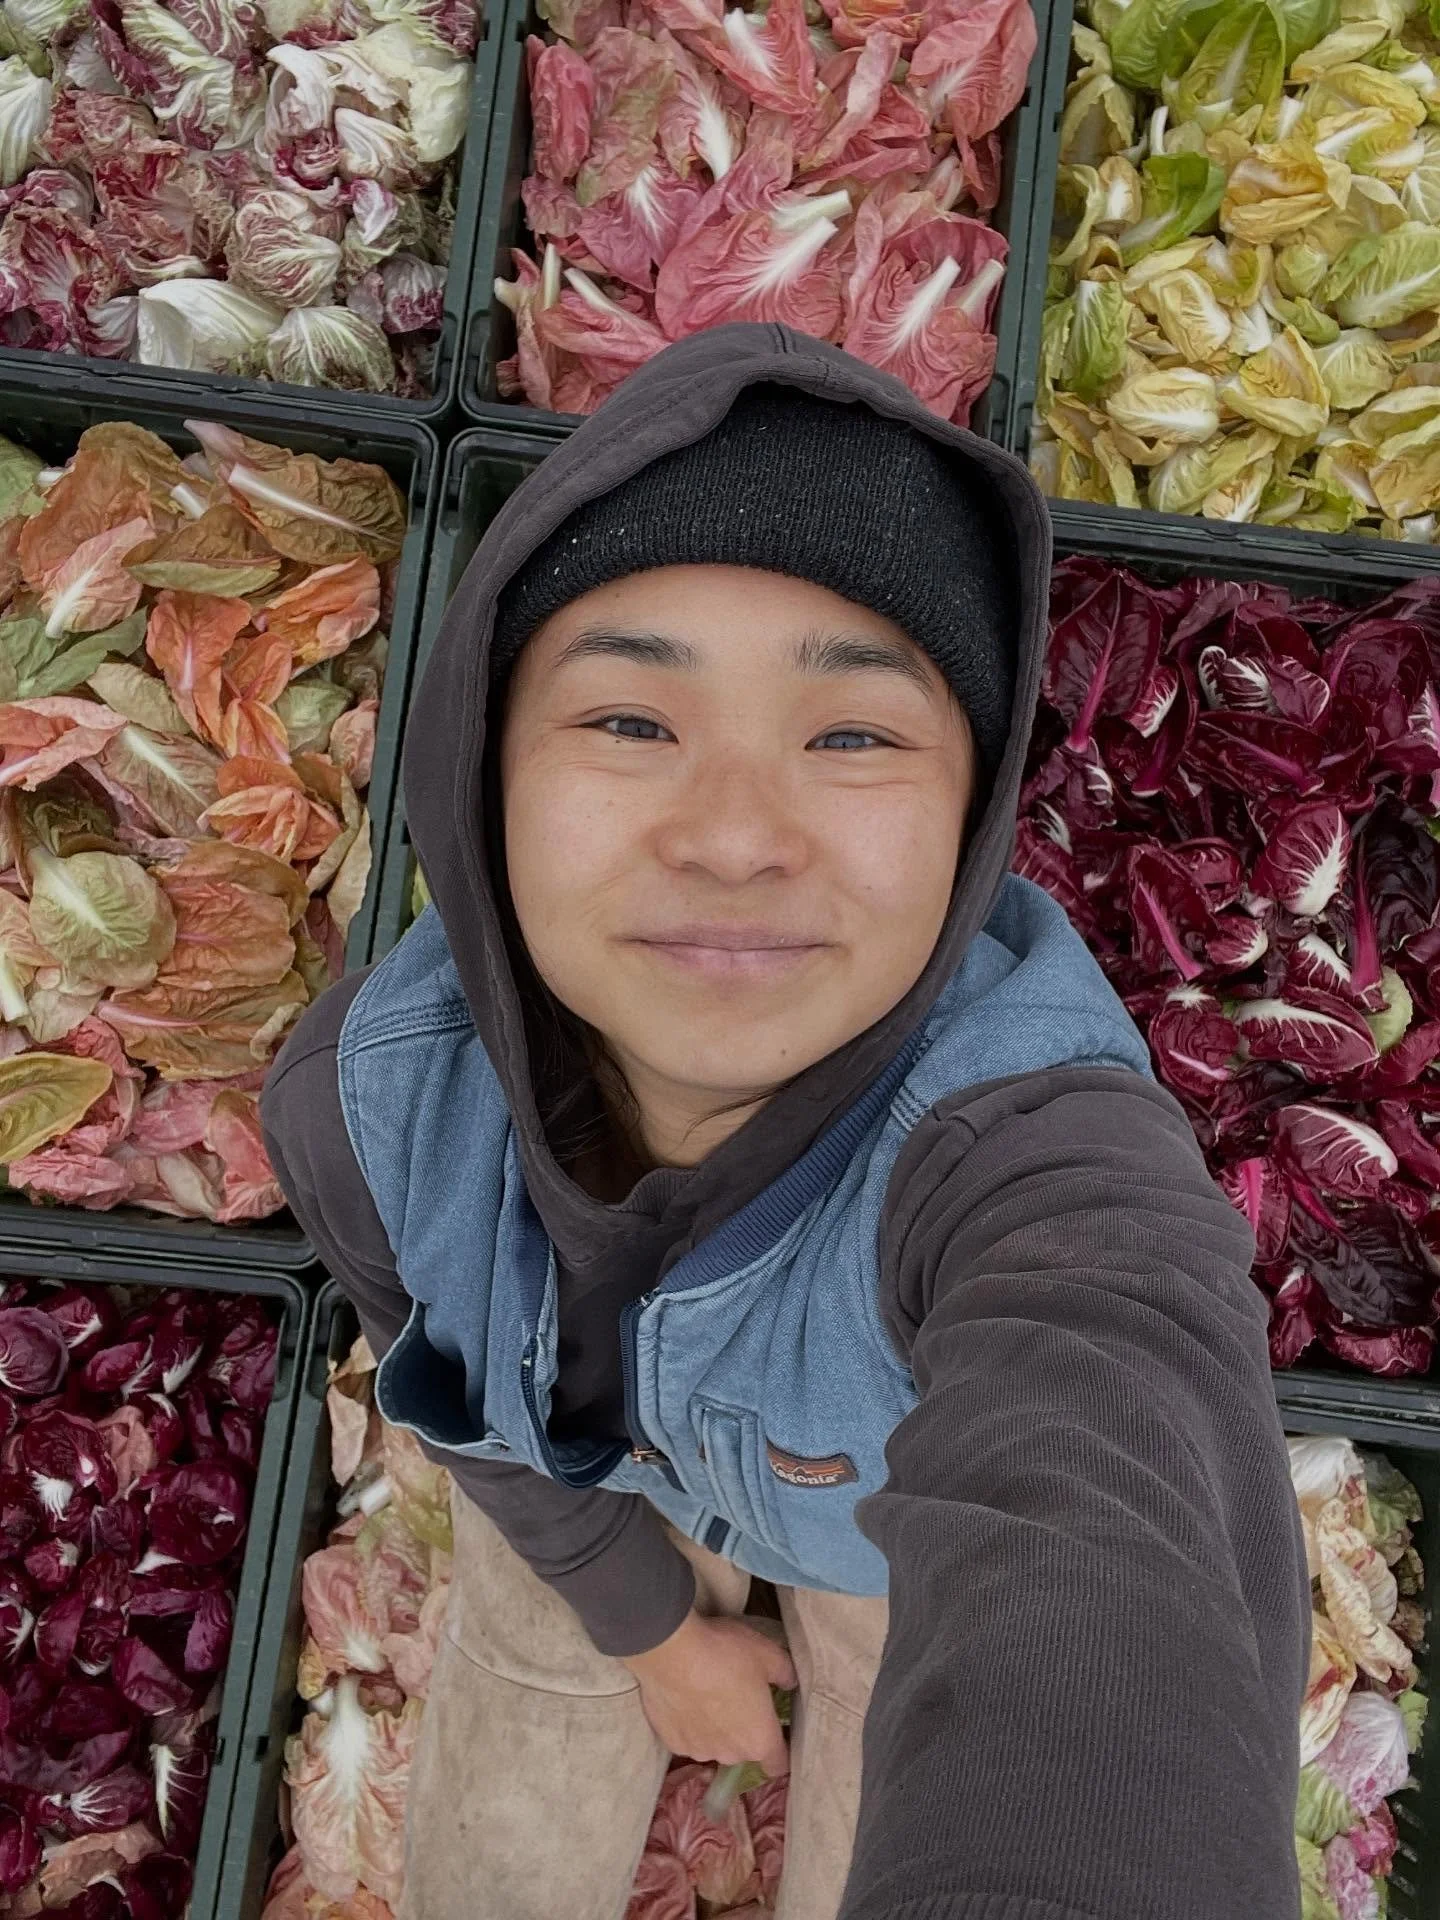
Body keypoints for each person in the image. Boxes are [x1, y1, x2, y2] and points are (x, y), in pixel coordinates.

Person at [261, 324, 1310, 1920]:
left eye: (854, 736)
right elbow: (464, 1388)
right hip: (597, 1482)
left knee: (879, 1734)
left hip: (891, 1551)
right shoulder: (370, 1108)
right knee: (511, 1793)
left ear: (971, 819)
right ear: (476, 771)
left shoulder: (1027, 1166)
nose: (737, 837)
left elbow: (1118, 1479)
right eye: (628, 721)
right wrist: (643, 1621)